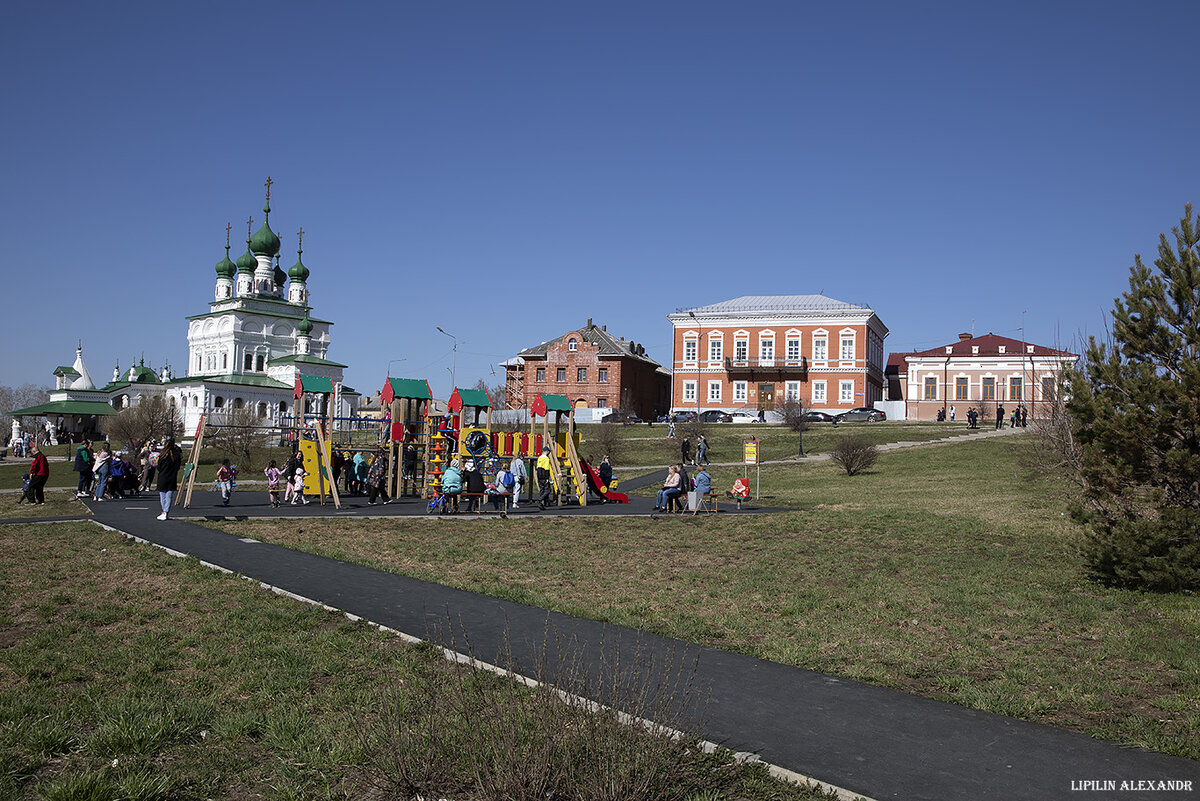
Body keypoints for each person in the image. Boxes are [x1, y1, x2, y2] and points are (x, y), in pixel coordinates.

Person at [155, 437, 182, 520]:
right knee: (169, 496)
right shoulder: (176, 456)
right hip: (172, 477)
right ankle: (166, 511)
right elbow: (178, 466)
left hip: (163, 477)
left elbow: (159, 467)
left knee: (163, 496)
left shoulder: (162, 456)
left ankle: (164, 511)